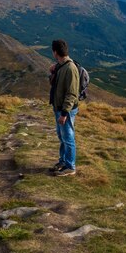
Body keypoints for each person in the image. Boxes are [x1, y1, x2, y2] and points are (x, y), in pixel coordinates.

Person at [48, 39, 80, 176]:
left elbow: (72, 93)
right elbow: (55, 85)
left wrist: (64, 113)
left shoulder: (70, 68)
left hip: (65, 110)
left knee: (68, 137)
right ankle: (63, 161)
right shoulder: (61, 66)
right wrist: (53, 72)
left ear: (55, 52)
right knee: (62, 137)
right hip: (59, 108)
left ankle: (70, 166)